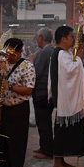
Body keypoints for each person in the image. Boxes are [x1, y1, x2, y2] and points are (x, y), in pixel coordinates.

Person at [48, 26, 84, 167]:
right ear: (64, 38)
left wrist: (77, 56)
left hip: (65, 99)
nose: (74, 39)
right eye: (72, 36)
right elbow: (71, 71)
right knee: (61, 131)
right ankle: (57, 164)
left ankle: (62, 161)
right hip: (64, 100)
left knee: (66, 131)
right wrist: (79, 57)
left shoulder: (64, 53)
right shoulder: (60, 54)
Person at [0, 38, 35, 167]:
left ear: (19, 51)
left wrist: (10, 87)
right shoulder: (3, 65)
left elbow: (29, 90)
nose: (8, 56)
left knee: (16, 144)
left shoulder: (27, 66)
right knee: (2, 143)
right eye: (6, 53)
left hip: (18, 110)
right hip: (4, 108)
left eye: (12, 53)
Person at [32, 28, 55, 159]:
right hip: (49, 92)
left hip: (42, 92)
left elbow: (37, 72)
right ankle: (44, 146)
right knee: (44, 121)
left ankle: (47, 150)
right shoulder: (52, 51)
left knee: (43, 122)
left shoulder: (44, 52)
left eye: (37, 37)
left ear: (41, 37)